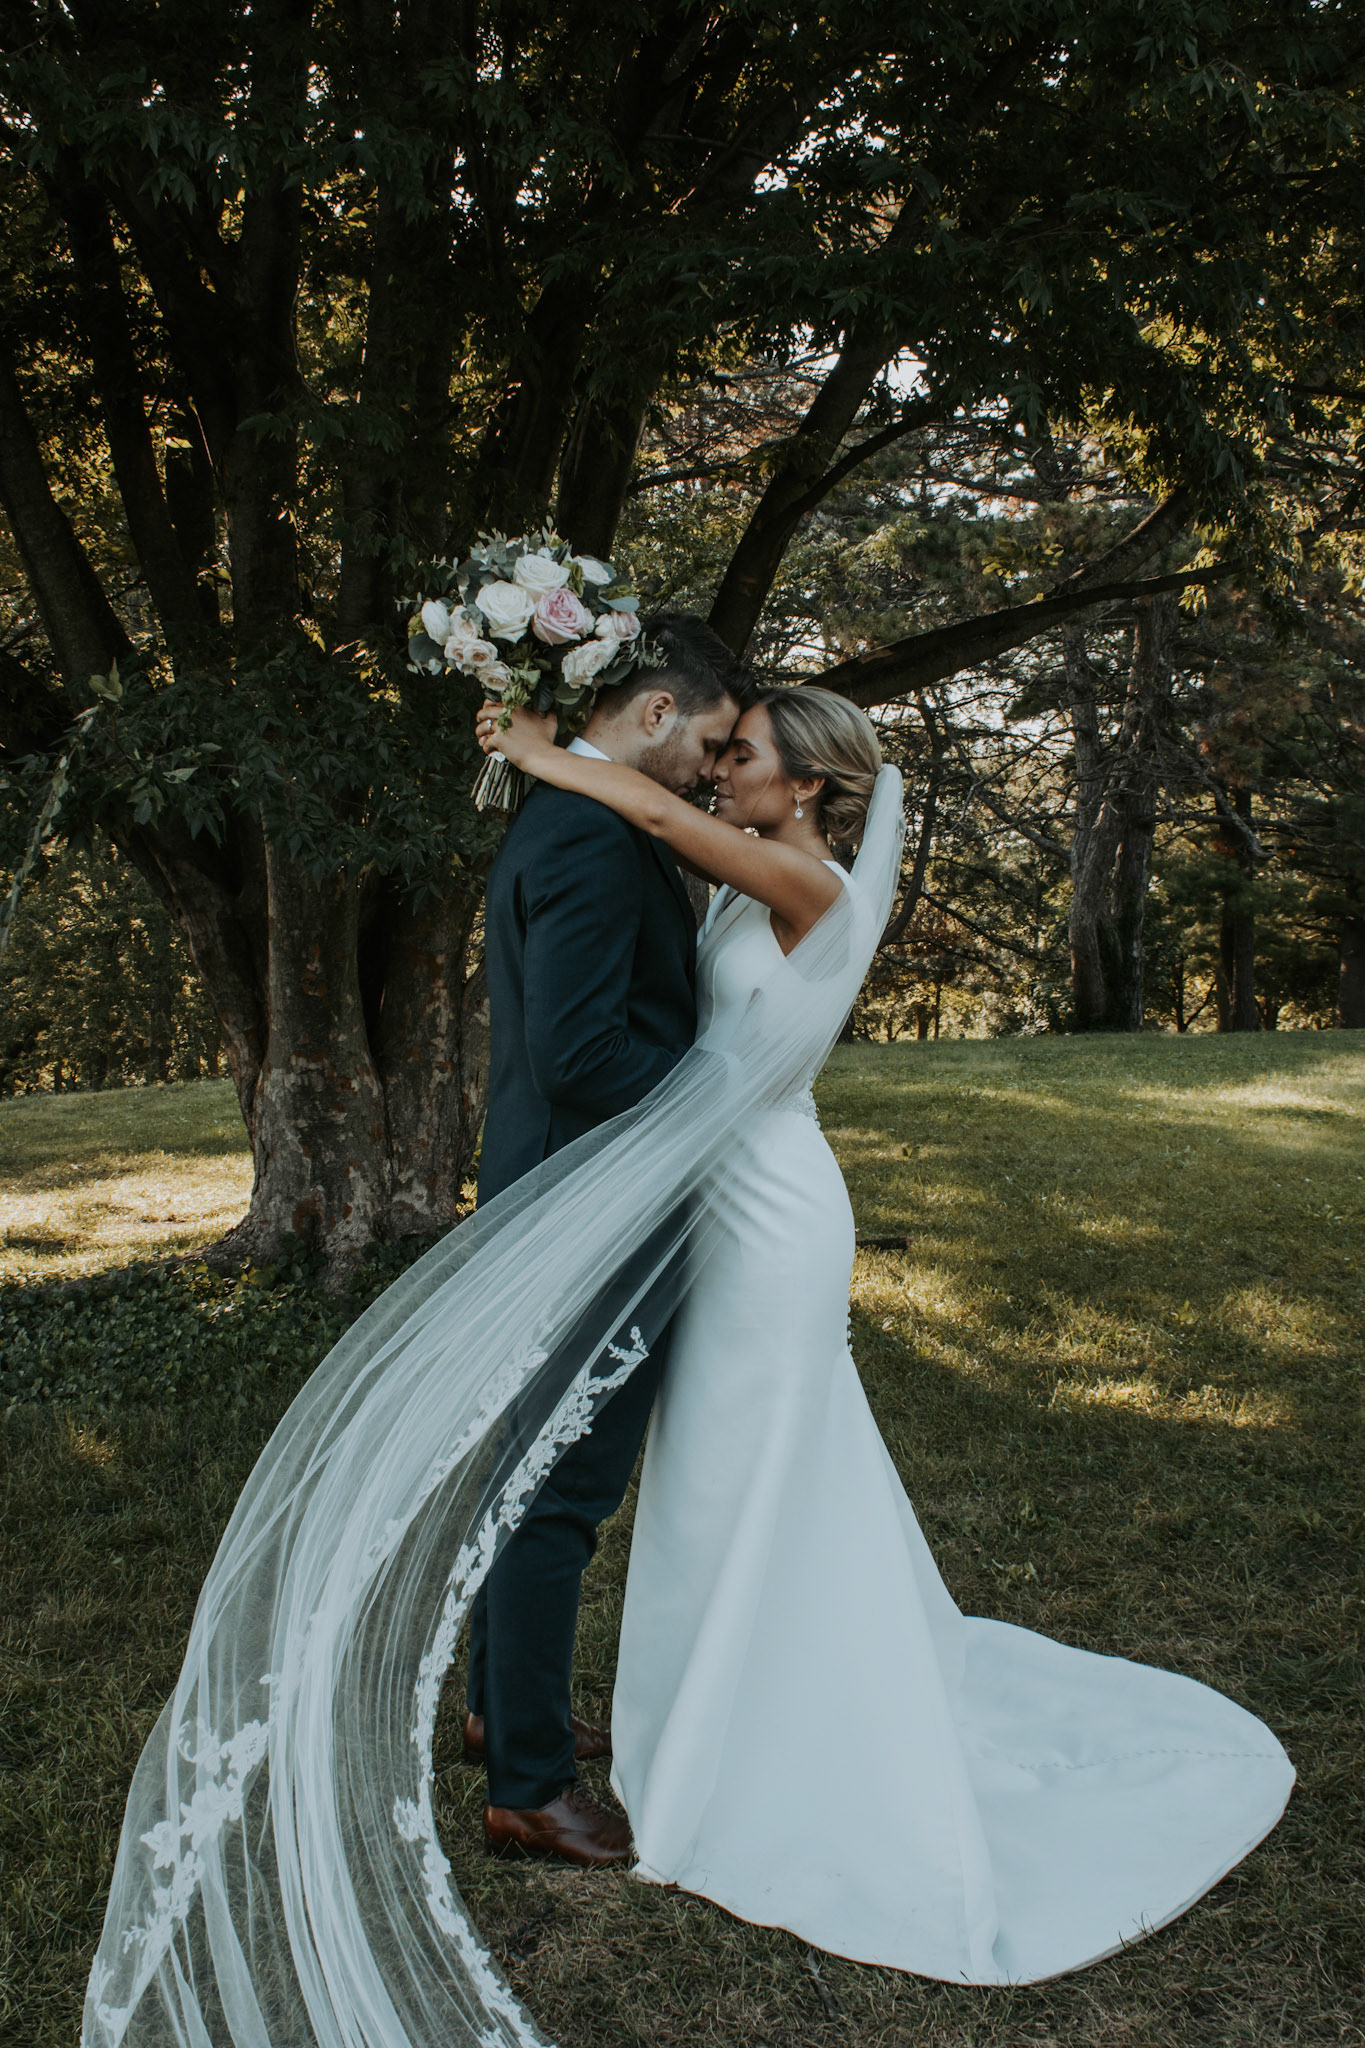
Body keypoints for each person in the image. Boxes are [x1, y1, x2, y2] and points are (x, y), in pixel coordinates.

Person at [476, 684, 1295, 1986]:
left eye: (742, 753)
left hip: (770, 1212)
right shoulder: (754, 870)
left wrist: (546, 753)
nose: (718, 768)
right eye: (721, 749)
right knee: (715, 1474)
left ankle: (767, 1711)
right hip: (716, 1194)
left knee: (758, 1460)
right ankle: (697, 1695)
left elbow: (650, 808)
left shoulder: (813, 883)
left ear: (806, 783)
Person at [466, 611, 746, 1869]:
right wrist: (723, 1092)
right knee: (561, 1492)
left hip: (554, 1189)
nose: (713, 769)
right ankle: (529, 1788)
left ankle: (499, 1711)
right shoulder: (588, 830)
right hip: (592, 1205)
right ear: (654, 711)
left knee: (526, 1471)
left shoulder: (568, 809)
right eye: (711, 742)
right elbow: (578, 1051)